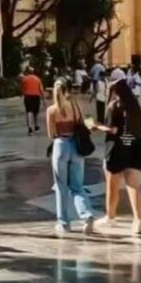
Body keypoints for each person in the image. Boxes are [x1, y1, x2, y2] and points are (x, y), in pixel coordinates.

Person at [95, 79, 141, 234]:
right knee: (134, 186)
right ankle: (138, 220)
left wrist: (96, 126)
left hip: (116, 149)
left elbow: (113, 129)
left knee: (112, 185)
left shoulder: (113, 106)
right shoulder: (135, 106)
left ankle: (110, 217)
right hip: (135, 147)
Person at [46, 78, 94, 236]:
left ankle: (64, 223)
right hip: (76, 146)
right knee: (77, 186)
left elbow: (51, 134)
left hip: (60, 146)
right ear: (68, 90)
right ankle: (86, 215)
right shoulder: (75, 105)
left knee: (61, 187)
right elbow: (83, 122)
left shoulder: (52, 110)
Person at [21, 67, 44, 135]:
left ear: (27, 72)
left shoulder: (24, 79)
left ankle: (30, 129)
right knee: (36, 113)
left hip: (28, 96)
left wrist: (22, 94)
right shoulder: (38, 79)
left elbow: (22, 89)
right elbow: (41, 89)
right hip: (36, 96)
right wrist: (44, 99)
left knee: (29, 112)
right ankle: (36, 127)